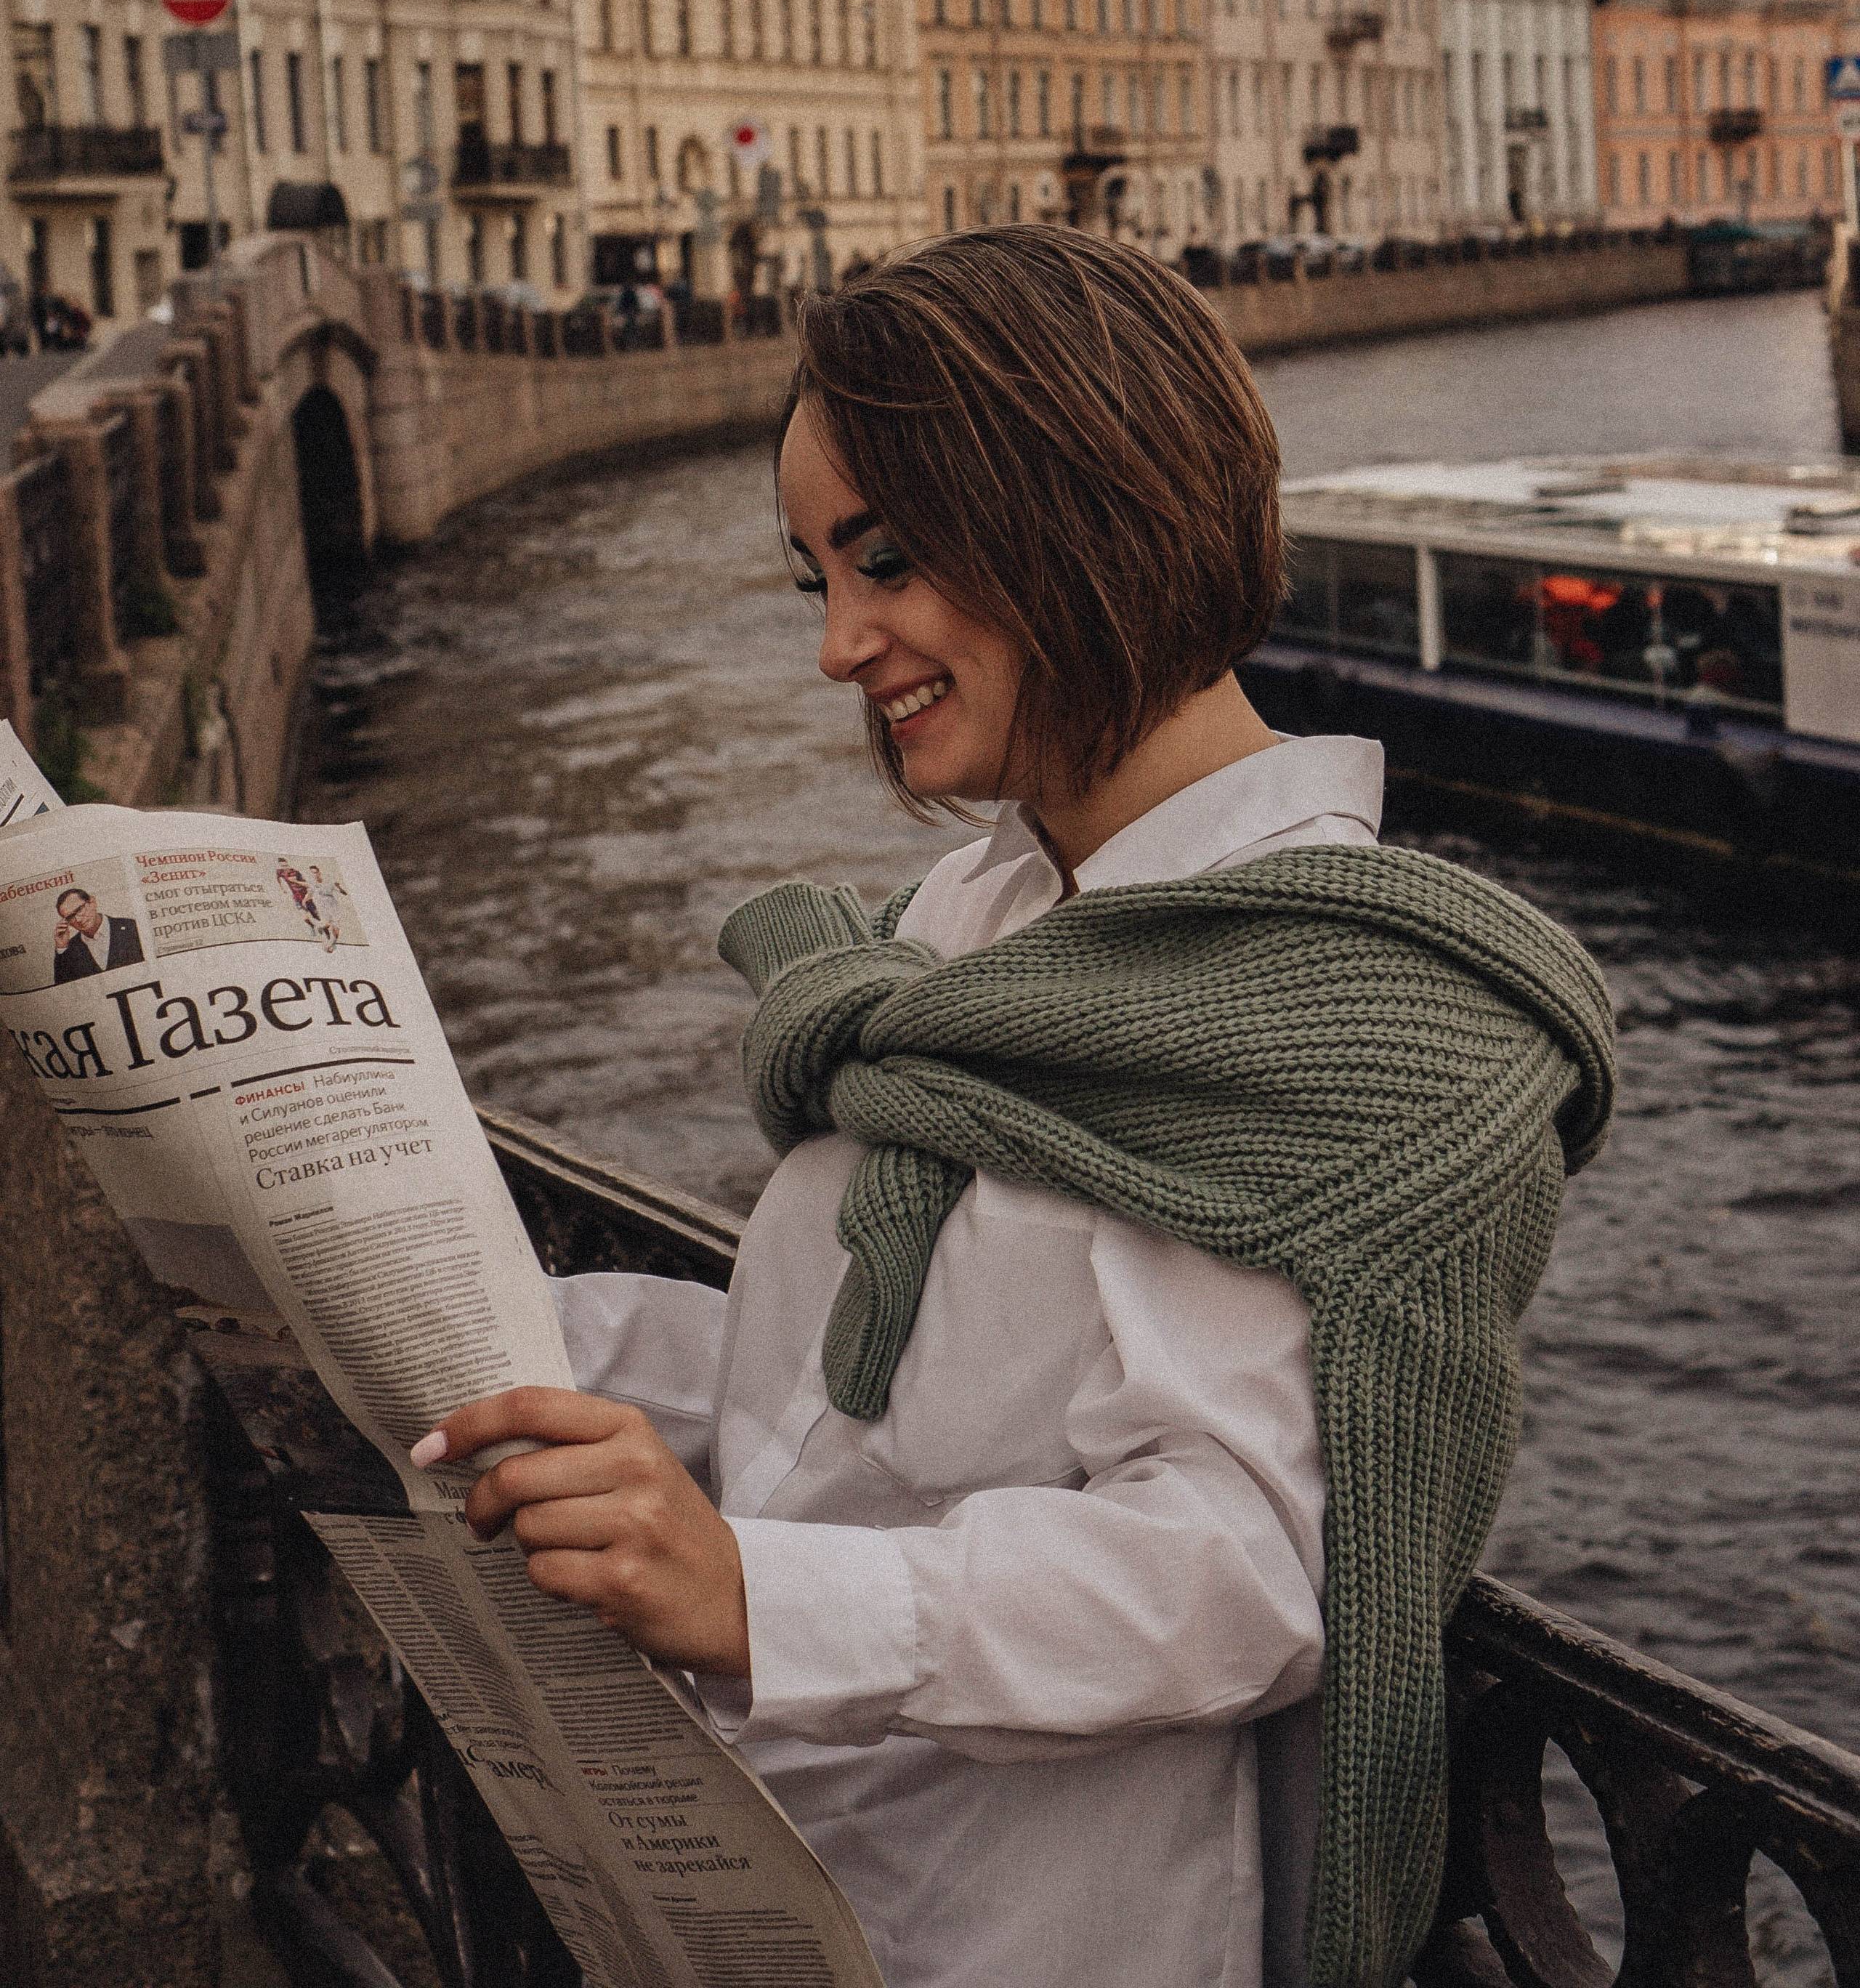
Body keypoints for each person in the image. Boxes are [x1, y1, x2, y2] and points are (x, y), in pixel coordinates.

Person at [414, 230, 1615, 1988]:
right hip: (779, 1882)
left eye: (886, 559)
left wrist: (756, 1596)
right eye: (817, 575)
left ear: (1080, 513)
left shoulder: (1320, 1006)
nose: (838, 643)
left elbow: (1248, 1570)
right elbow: (860, 1392)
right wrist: (487, 1344)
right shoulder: (972, 916)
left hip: (1026, 1934)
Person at [52, 886, 144, 985]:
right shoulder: (69, 950)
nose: (78, 919)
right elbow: (64, 988)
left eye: (79, 910)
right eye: (70, 917)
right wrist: (62, 948)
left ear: (92, 902)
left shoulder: (133, 927)